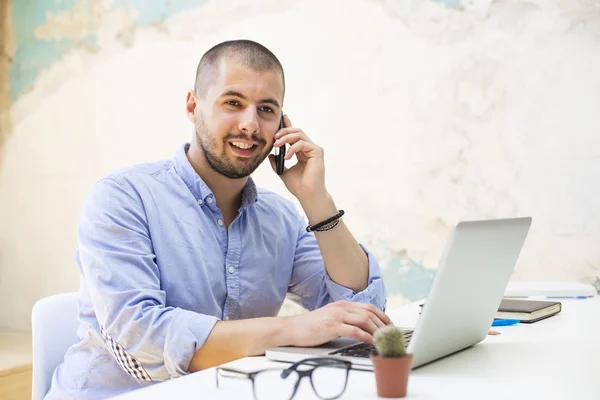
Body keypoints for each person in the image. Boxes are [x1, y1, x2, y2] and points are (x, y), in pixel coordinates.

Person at [44, 39, 389, 400]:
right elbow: (143, 336)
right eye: (233, 103)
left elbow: (364, 311)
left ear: (282, 124)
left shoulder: (281, 217)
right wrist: (292, 328)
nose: (250, 125)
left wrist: (316, 199)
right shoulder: (122, 197)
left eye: (267, 109)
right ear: (194, 106)